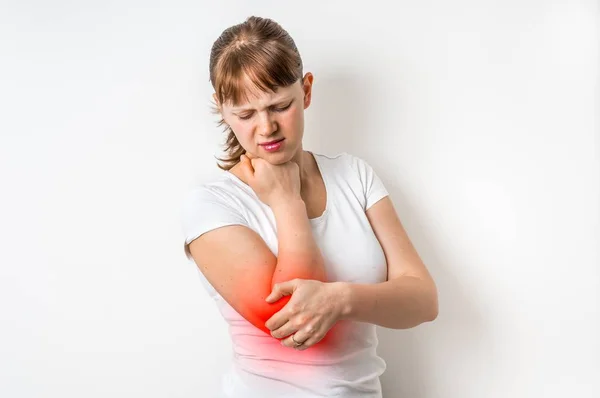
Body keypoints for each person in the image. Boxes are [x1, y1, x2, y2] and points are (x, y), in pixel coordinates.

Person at [181, 16, 438, 398]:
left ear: (307, 91)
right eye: (246, 114)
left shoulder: (354, 175)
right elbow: (294, 323)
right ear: (222, 109)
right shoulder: (214, 205)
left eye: (279, 106)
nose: (266, 127)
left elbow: (422, 300)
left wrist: (341, 299)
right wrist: (287, 202)